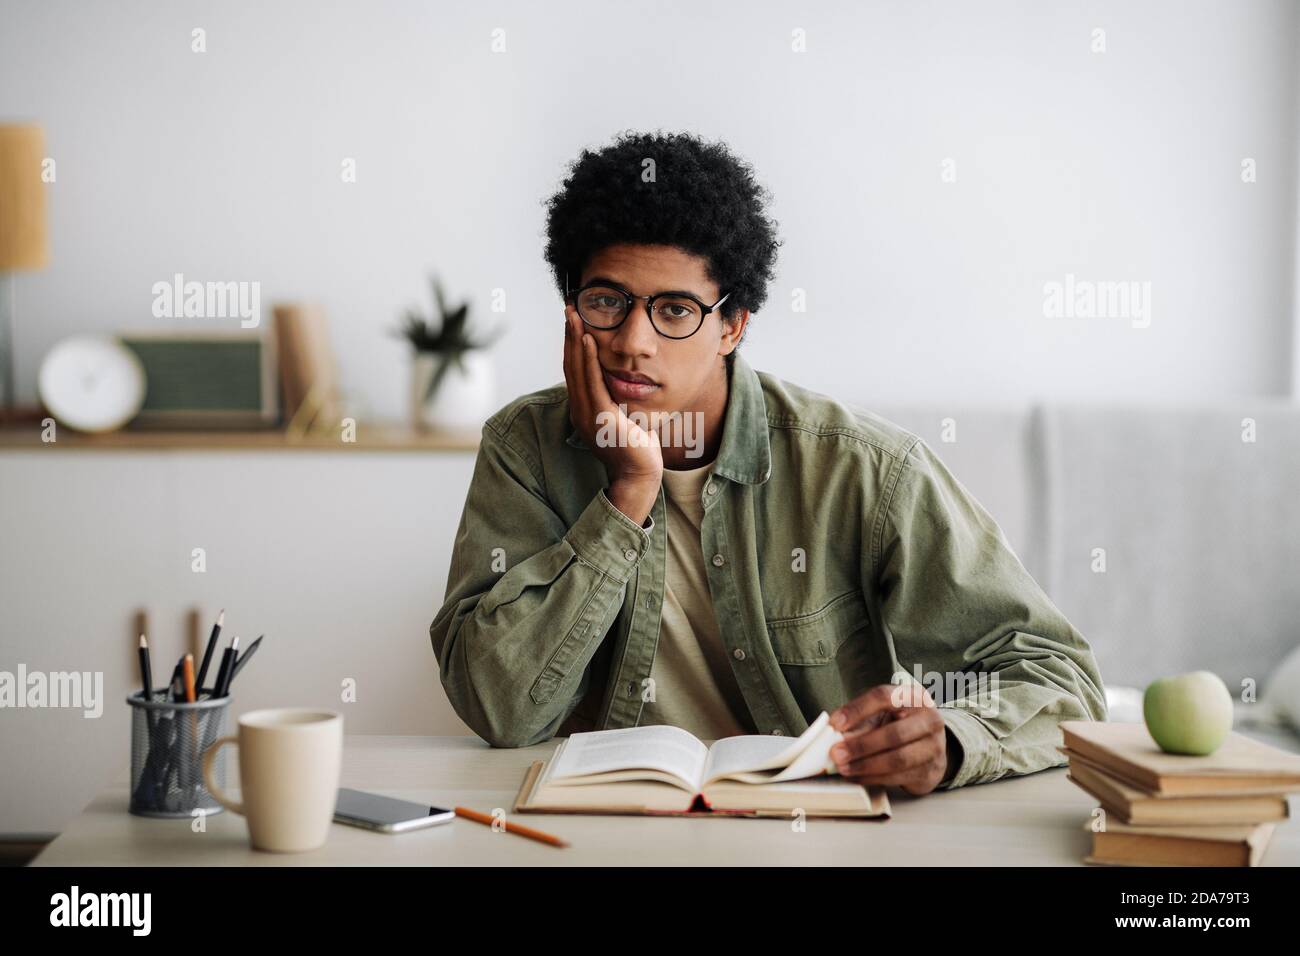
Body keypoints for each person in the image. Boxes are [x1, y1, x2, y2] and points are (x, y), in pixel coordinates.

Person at [430, 130, 1106, 795]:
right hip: (604, 829)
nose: (633, 343)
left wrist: (956, 739)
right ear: (573, 307)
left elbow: (1056, 675)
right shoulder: (524, 448)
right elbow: (499, 709)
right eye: (607, 302)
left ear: (733, 326)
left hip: (812, 831)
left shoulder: (862, 469)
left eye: (675, 310)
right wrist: (628, 491)